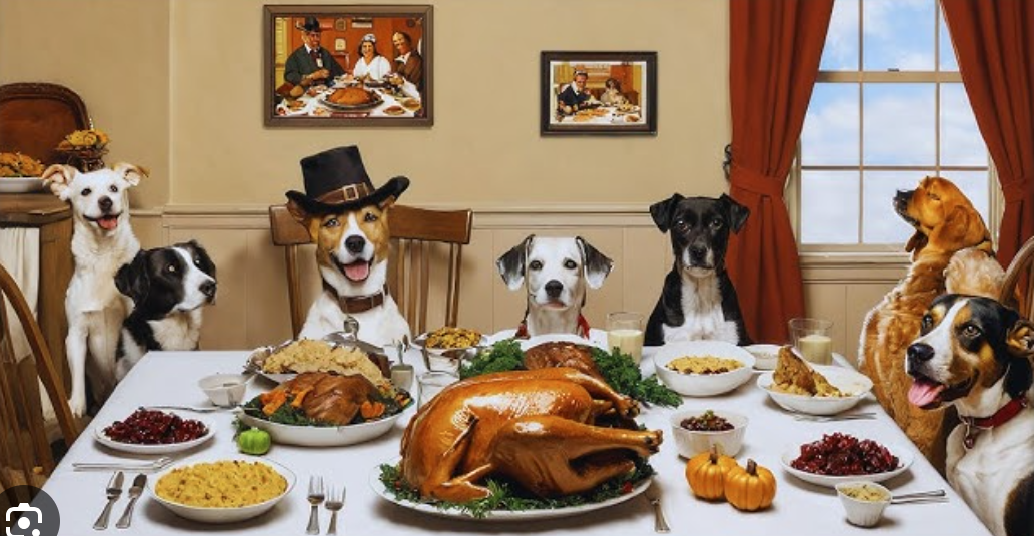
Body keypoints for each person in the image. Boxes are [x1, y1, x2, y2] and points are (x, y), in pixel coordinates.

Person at [283, 16, 346, 88]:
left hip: (326, 92)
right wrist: (312, 76)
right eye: (312, 36)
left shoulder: (325, 53)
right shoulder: (296, 56)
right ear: (304, 37)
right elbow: (289, 77)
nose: (316, 39)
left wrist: (346, 76)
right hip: (306, 95)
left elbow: (339, 71)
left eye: (318, 36)